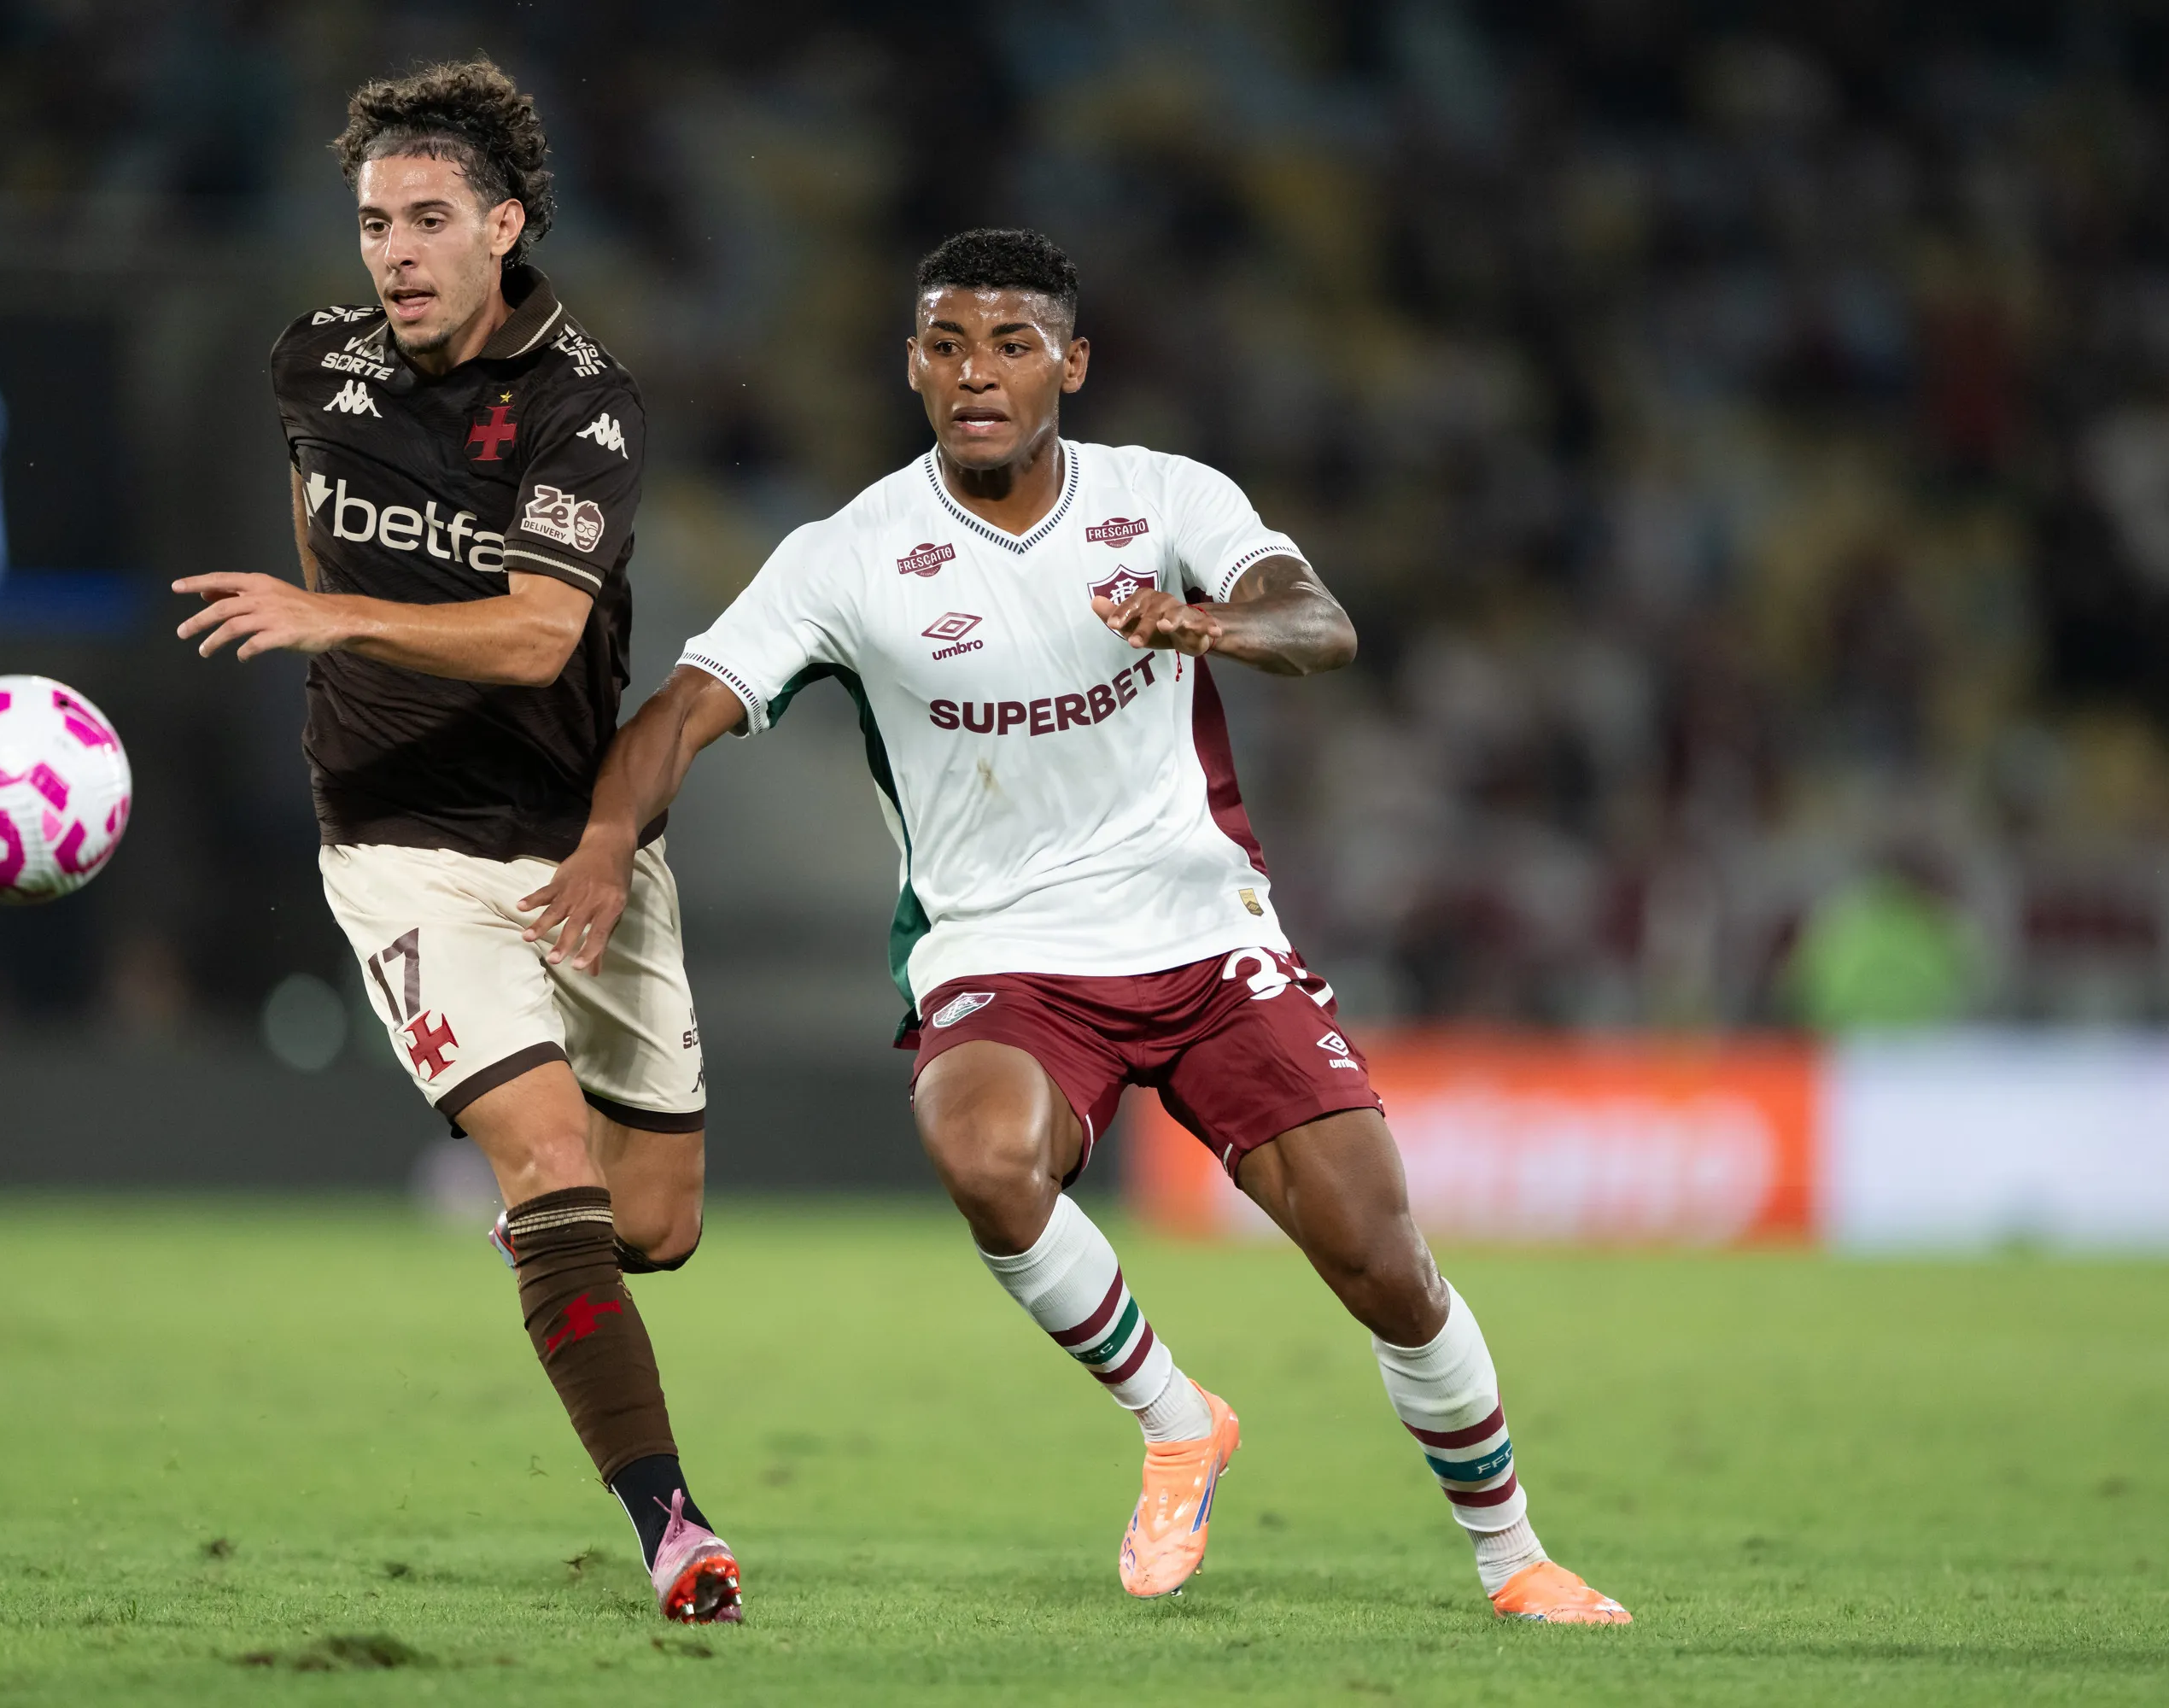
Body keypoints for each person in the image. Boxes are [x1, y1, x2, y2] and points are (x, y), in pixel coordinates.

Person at [524, 228, 1628, 1623]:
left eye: (1011, 343)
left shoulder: (1166, 497)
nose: (976, 373)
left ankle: (1512, 1557)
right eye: (946, 344)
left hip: (1200, 928)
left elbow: (1320, 620)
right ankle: (1179, 1421)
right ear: (912, 366)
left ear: (1072, 363)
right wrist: (613, 838)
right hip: (1001, 952)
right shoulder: (851, 554)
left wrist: (1213, 624)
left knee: (1379, 1256)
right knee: (983, 1153)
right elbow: (685, 707)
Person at [170, 57, 737, 1625]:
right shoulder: (315, 365)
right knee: (550, 1161)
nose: (394, 255)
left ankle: (532, 1216)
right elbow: (319, 537)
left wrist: (324, 618)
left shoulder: (584, 404)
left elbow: (543, 637)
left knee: (653, 1224)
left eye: (428, 222)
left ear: (504, 227)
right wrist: (331, 650)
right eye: (371, 225)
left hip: (575, 844)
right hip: (399, 839)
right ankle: (674, 1529)